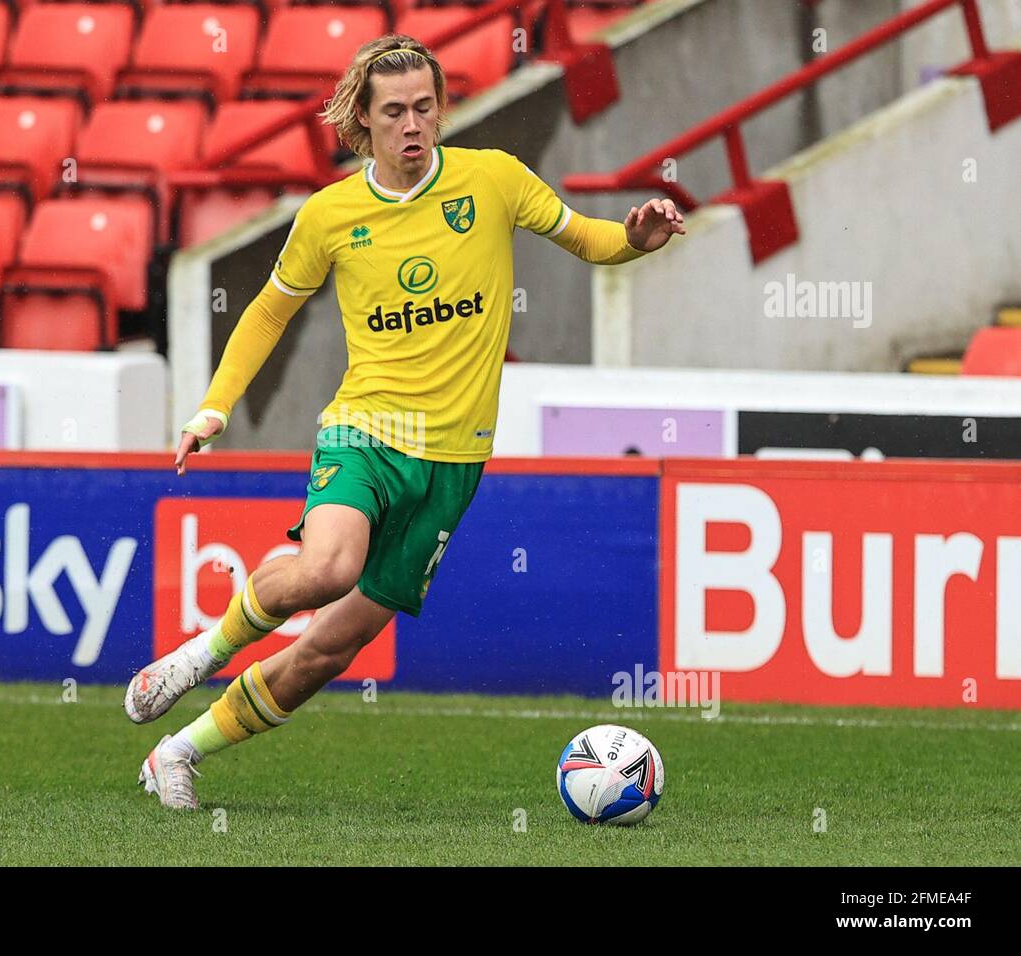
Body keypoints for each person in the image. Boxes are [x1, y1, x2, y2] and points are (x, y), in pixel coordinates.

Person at [126, 34, 685, 808]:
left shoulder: (493, 180)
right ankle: (201, 654)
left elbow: (585, 238)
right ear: (363, 118)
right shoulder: (331, 215)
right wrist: (214, 406)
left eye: (425, 107)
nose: (413, 125)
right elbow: (266, 311)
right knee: (327, 570)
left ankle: (177, 753)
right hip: (365, 432)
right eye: (395, 112)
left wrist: (634, 239)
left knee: (330, 647)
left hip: (454, 464)